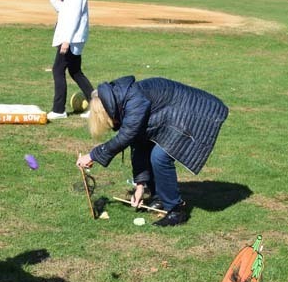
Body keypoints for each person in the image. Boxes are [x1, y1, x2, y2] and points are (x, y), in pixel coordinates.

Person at [76, 76, 229, 227]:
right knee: (149, 148)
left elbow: (126, 136)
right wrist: (140, 186)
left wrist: (92, 155)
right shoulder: (122, 101)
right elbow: (139, 145)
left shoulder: (133, 101)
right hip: (172, 114)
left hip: (194, 112)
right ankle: (160, 197)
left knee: (159, 157)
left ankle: (176, 210)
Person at [41, 0, 94, 120]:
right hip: (71, 37)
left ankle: (58, 110)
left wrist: (67, 40)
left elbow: (75, 17)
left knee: (58, 69)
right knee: (75, 72)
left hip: (71, 38)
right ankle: (97, 106)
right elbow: (61, 8)